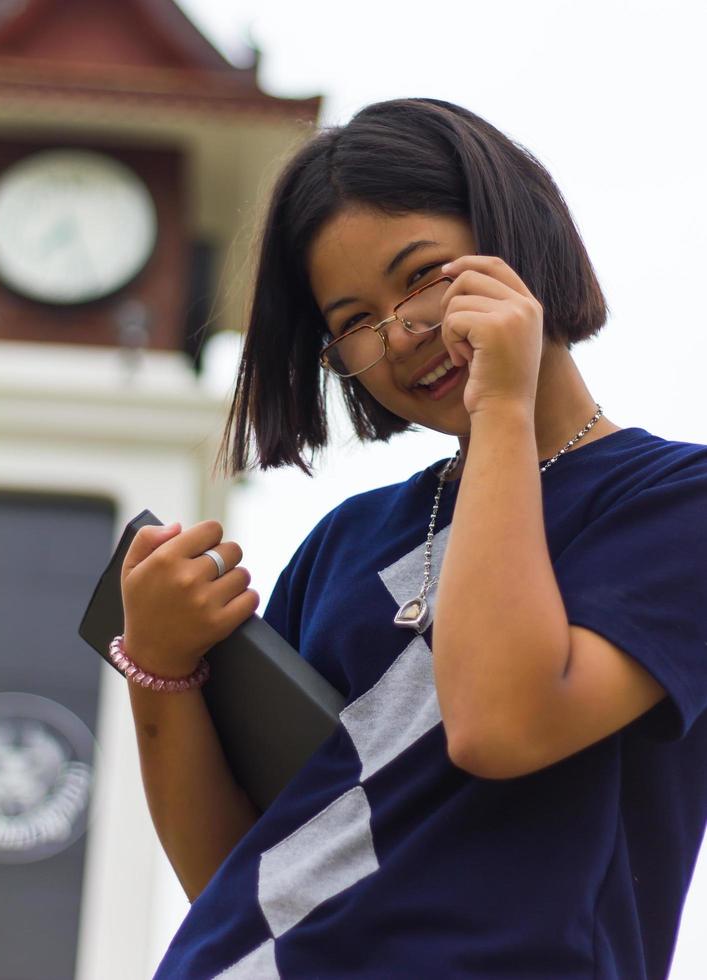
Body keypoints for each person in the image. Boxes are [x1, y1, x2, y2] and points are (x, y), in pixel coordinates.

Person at [119, 98, 707, 979]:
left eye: (425, 274)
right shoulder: (343, 543)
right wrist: (159, 667)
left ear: (517, 234)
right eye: (351, 321)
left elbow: (500, 725)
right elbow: (253, 870)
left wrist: (501, 408)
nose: (400, 333)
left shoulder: (671, 504)